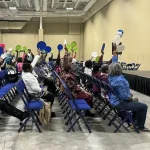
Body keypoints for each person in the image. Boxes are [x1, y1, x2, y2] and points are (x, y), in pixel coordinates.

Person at [108, 63, 149, 131]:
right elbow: (124, 97)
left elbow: (120, 91)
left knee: (138, 105)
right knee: (144, 106)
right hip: (120, 103)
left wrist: (128, 94)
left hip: (114, 100)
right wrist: (132, 98)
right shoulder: (119, 80)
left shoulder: (111, 77)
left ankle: (134, 123)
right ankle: (140, 126)